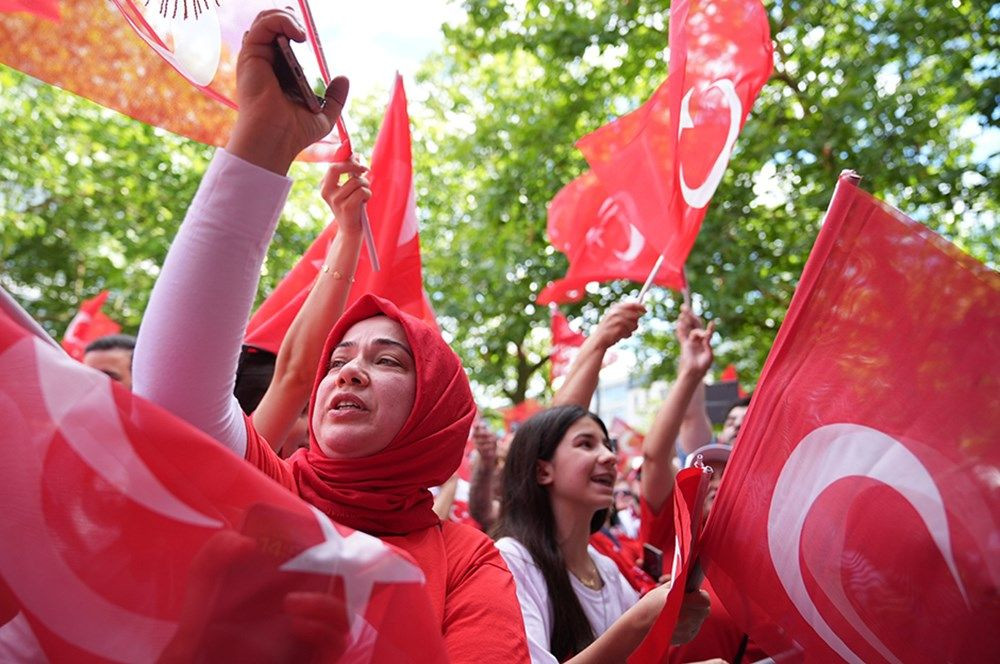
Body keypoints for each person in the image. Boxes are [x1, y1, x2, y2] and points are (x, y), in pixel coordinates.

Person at [132, 10, 529, 661]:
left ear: (436, 410)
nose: (347, 371)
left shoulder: (468, 561)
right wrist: (263, 141)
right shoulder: (264, 486)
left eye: (389, 361)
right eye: (338, 358)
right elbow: (173, 391)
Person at [493, 406, 712, 663]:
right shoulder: (510, 560)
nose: (610, 457)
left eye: (608, 446)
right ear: (543, 471)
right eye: (586, 444)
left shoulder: (605, 568)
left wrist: (668, 614)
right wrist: (643, 618)